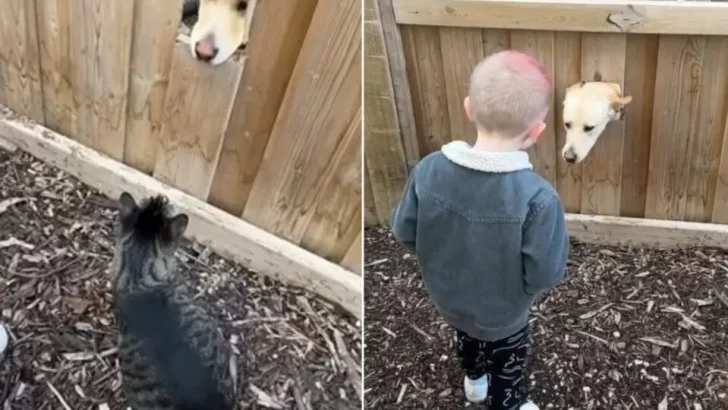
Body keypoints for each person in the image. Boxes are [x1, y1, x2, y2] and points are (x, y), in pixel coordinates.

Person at [390, 50, 569, 410]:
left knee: (467, 337)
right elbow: (545, 272)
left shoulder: (428, 170)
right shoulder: (538, 198)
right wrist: (520, 290)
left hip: (449, 300)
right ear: (536, 132)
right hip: (504, 315)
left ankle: (474, 380)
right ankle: (508, 402)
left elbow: (403, 231)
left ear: (469, 108)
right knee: (508, 358)